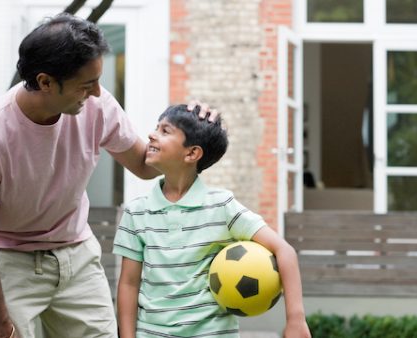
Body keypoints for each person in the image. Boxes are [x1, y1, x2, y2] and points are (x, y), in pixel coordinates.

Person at [0, 14, 215, 338]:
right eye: (85, 84)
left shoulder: (98, 106)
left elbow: (144, 165)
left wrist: (194, 134)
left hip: (76, 256)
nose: (96, 92)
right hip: (10, 263)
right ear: (46, 82)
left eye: (97, 81)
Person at [113, 105, 312, 338]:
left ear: (191, 154)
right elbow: (128, 284)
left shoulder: (222, 206)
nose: (151, 134)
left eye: (165, 131)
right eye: (156, 128)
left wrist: (296, 320)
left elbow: (284, 251)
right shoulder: (136, 212)